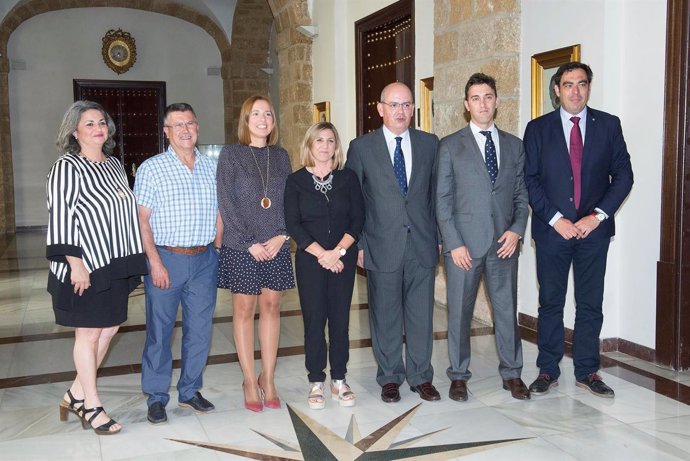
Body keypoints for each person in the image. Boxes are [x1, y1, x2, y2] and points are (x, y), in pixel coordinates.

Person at [523, 62, 633, 398]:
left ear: (589, 87)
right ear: (556, 89)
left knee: (589, 303)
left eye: (582, 84)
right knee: (551, 303)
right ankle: (548, 369)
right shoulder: (538, 128)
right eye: (568, 84)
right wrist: (557, 219)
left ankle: (588, 370)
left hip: (593, 232)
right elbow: (530, 180)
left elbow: (624, 176)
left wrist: (596, 216)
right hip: (552, 231)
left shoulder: (609, 125)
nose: (575, 91)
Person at [47, 100, 148, 435]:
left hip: (114, 262)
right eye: (88, 123)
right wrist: (75, 264)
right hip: (85, 265)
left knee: (109, 328)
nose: (97, 128)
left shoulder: (115, 165)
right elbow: (61, 216)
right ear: (74, 131)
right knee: (89, 333)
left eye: (101, 121)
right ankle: (91, 405)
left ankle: (75, 393)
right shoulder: (67, 167)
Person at [436, 73, 530, 402]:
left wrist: (517, 230)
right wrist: (453, 242)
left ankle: (513, 373)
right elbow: (442, 200)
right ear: (466, 105)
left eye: (488, 96)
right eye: (476, 98)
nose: (483, 104)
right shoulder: (449, 146)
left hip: (503, 245)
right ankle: (459, 376)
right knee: (459, 313)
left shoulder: (514, 145)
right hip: (463, 246)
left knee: (506, 310)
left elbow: (521, 196)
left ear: (497, 101)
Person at [346, 82, 441, 403]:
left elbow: (436, 197)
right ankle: (389, 377)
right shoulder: (362, 148)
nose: (401, 111)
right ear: (380, 108)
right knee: (384, 314)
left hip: (422, 244)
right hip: (380, 244)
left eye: (406, 105)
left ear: (413, 108)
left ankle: (420, 375)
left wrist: (439, 238)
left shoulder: (430, 144)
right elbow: (353, 201)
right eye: (394, 104)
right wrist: (357, 244)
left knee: (420, 314)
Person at [134, 103, 221, 424]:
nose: (186, 130)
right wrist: (154, 263)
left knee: (200, 330)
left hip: (204, 260)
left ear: (198, 128)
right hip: (166, 258)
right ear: (166, 132)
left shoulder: (212, 168)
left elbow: (220, 213)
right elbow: (142, 221)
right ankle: (156, 396)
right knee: (160, 331)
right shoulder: (152, 168)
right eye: (178, 125)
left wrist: (218, 250)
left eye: (191, 124)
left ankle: (189, 391)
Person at [216, 95, 294, 412]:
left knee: (272, 307)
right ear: (246, 119)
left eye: (268, 114)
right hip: (242, 246)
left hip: (275, 243)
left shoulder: (281, 156)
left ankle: (269, 377)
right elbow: (226, 201)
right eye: (257, 114)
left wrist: (282, 235)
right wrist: (249, 241)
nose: (263, 119)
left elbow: (292, 199)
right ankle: (249, 379)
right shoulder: (231, 155)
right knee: (245, 310)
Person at [284, 122, 365, 409]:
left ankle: (339, 380)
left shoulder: (348, 179)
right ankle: (316, 380)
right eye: (319, 140)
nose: (325, 146)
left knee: (340, 321)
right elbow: (293, 223)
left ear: (336, 146)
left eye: (330, 140)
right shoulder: (295, 181)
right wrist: (323, 255)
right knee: (314, 321)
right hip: (310, 261)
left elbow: (357, 220)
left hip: (342, 260)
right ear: (309, 145)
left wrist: (339, 252)